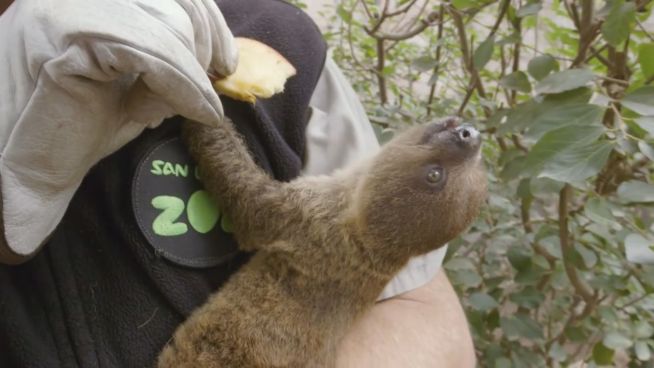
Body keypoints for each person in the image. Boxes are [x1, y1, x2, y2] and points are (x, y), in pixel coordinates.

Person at [0, 0, 475, 366]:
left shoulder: (280, 42)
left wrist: (199, 100)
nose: (463, 139)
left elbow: (422, 310)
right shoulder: (340, 217)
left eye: (436, 173)